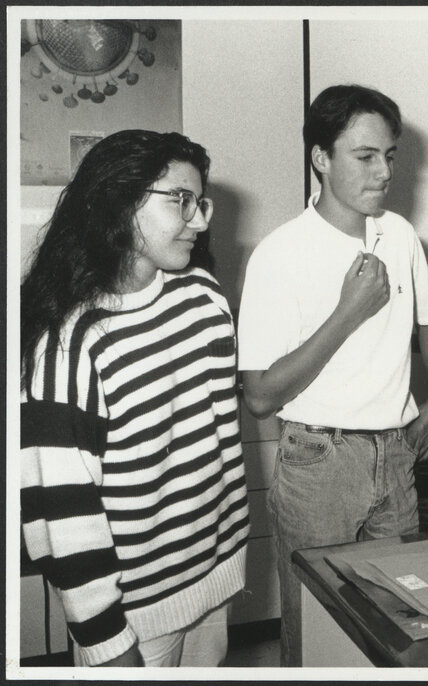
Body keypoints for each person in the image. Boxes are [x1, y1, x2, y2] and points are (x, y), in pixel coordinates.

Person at [237, 84, 428, 666]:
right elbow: (259, 396)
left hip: (396, 455)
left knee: (400, 624)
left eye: (390, 155)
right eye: (365, 156)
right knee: (317, 635)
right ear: (321, 158)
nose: (385, 172)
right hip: (320, 463)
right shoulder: (280, 253)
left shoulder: (399, 233)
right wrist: (348, 313)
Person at [20, 130, 249, 667]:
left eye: (201, 202)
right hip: (133, 615)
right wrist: (106, 641)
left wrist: (227, 563)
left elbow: (216, 445)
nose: (199, 221)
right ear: (118, 205)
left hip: (214, 579)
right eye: (181, 200)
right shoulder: (70, 342)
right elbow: (62, 515)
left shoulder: (205, 296)